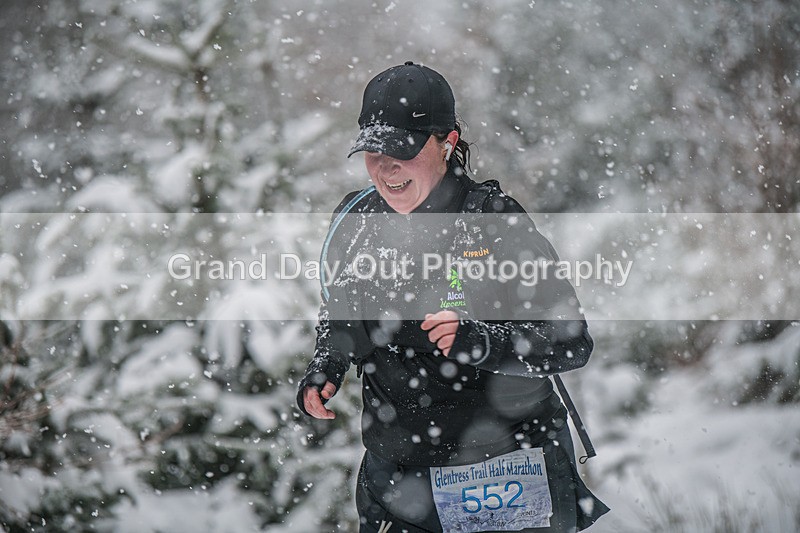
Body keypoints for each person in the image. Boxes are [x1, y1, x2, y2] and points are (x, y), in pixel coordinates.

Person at [297, 61, 609, 532]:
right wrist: (326, 366)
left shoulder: (494, 221)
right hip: (400, 477)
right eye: (374, 151)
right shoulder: (355, 221)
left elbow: (571, 341)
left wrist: (479, 341)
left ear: (447, 142)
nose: (386, 169)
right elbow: (338, 310)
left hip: (505, 469)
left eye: (401, 150)